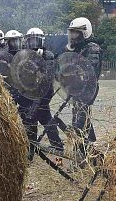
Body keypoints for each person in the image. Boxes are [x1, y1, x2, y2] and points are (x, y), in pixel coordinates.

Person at [19, 27, 64, 155]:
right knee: (33, 121)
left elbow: (48, 76)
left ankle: (57, 146)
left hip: (43, 94)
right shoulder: (24, 55)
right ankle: (31, 150)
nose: (33, 44)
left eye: (36, 40)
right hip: (29, 93)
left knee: (43, 119)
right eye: (31, 41)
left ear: (42, 41)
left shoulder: (48, 56)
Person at [65, 17, 102, 158]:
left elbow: (89, 71)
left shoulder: (92, 49)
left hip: (87, 90)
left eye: (76, 33)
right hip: (77, 89)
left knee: (79, 122)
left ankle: (81, 156)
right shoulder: (79, 49)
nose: (73, 36)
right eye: (71, 33)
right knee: (81, 118)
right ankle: (89, 145)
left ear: (85, 33)